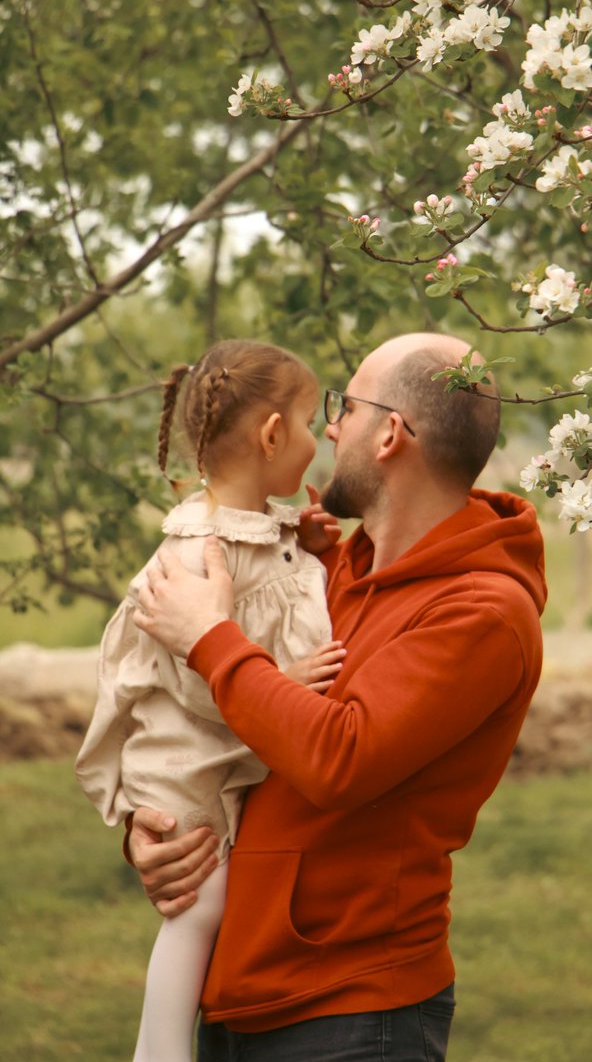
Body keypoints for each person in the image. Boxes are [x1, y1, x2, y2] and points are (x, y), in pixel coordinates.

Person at [130, 332, 547, 1062]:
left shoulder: (482, 613)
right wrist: (159, 822)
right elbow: (242, 722)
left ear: (390, 432)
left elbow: (339, 757)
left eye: (343, 407)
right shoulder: (330, 569)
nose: (328, 426)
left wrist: (211, 637)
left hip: (352, 1010)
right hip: (246, 986)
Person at [75, 339, 345, 1062]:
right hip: (185, 763)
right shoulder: (197, 557)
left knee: (220, 905)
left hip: (224, 756)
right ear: (273, 435)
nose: (320, 440)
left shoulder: (252, 532)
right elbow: (197, 674)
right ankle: (158, 1052)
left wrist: (308, 540)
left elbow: (273, 588)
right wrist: (284, 686)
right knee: (200, 907)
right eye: (314, 421)